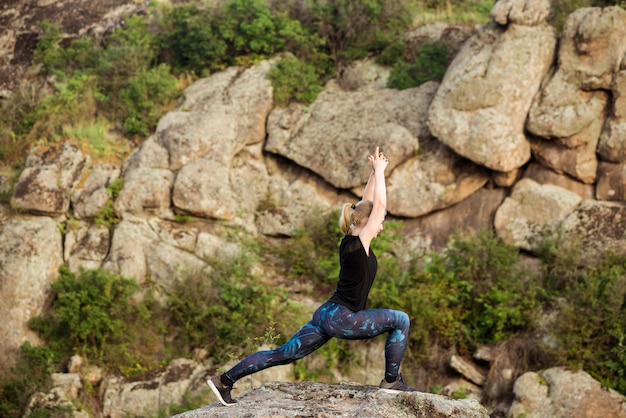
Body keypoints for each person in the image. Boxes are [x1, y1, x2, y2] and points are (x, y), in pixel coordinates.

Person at [208, 146, 415, 406]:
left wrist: (373, 174)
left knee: (283, 353)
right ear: (367, 223)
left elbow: (367, 204)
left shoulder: (351, 239)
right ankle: (391, 381)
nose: (381, 224)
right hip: (343, 318)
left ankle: (223, 381)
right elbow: (378, 206)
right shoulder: (359, 243)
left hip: (327, 313)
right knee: (401, 320)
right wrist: (381, 172)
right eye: (379, 220)